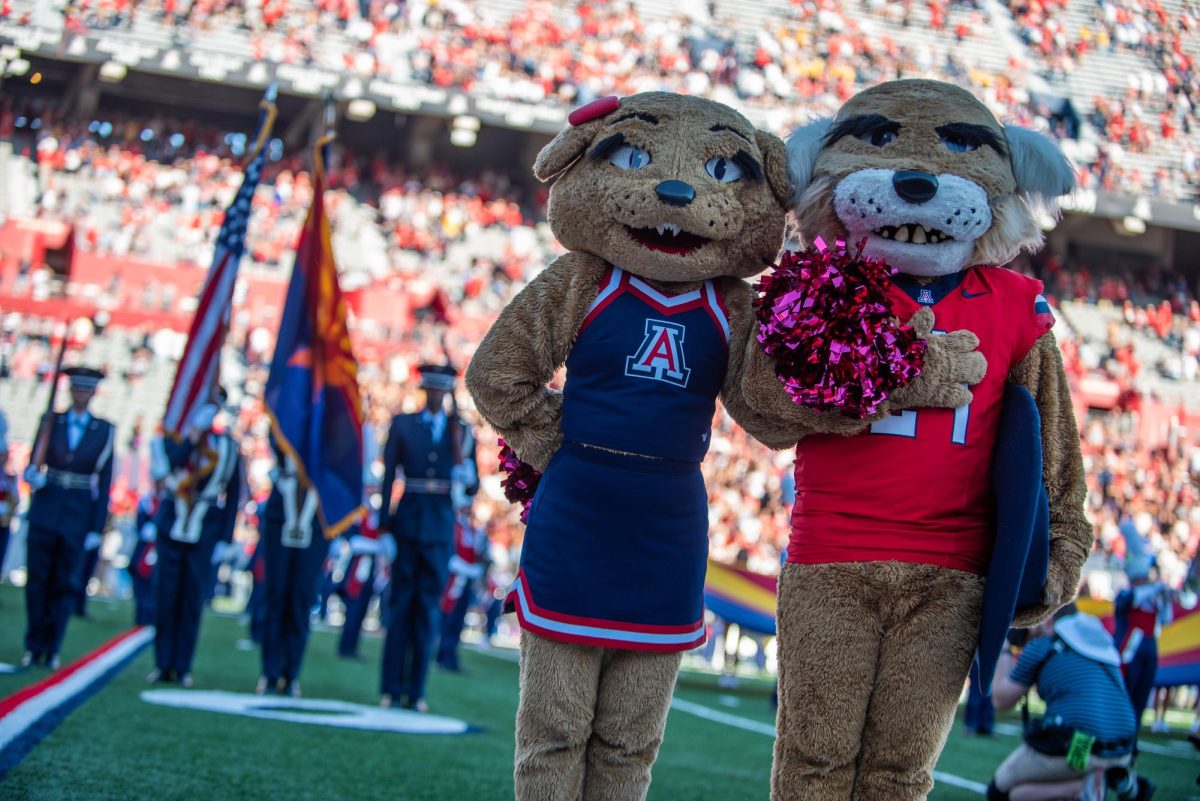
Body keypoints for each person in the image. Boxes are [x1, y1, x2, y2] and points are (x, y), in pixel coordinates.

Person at [378, 363, 477, 712]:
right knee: (400, 606)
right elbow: (390, 475)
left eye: (442, 391)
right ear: (425, 391)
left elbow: (473, 486)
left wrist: (466, 478)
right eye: (432, 390)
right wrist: (384, 527)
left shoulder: (462, 432)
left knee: (428, 611)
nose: (436, 396)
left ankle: (416, 690)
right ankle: (391, 687)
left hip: (438, 527)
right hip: (407, 522)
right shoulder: (404, 424)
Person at [987, 605, 1153, 801]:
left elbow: (1001, 700)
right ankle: (1113, 778)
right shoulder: (1102, 644)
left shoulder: (1044, 645)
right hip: (1124, 748)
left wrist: (1003, 647)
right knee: (1027, 790)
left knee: (1000, 793)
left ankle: (1080, 789)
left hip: (1079, 746)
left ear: (1046, 617)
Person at [148, 387, 243, 686]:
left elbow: (234, 493)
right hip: (173, 521)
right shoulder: (174, 438)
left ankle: (183, 666)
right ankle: (163, 663)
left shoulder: (228, 445)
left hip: (205, 527)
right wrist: (192, 437)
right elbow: (168, 466)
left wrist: (226, 537)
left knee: (191, 599)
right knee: (166, 595)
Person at [22, 366, 114, 669]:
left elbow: (104, 482)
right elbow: (36, 459)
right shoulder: (51, 421)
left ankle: (53, 646)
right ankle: (33, 643)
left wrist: (96, 527)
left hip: (77, 513)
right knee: (38, 579)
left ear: (93, 393)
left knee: (65, 582)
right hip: (47, 507)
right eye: (77, 388)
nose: (81, 394)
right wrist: (33, 475)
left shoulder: (104, 430)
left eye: (86, 389)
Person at [257, 438, 331, 697]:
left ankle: (291, 674)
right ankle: (269, 672)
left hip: (317, 515)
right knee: (276, 594)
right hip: (282, 510)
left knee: (302, 597)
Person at [1113, 521, 1173, 736]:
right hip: (1130, 650)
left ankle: (1133, 736)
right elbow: (1129, 601)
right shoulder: (1126, 594)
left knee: (1142, 694)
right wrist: (1155, 588)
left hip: (1149, 647)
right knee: (1127, 692)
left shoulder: (1152, 597)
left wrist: (1165, 600)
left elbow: (1166, 620)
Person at [436, 506, 487, 672]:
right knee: (448, 617)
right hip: (454, 579)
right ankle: (443, 655)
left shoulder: (474, 531)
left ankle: (450, 656)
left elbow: (477, 555)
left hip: (466, 580)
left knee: (458, 619)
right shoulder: (454, 527)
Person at [127, 483, 159, 626]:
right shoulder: (147, 499)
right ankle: (141, 614)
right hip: (143, 549)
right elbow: (139, 521)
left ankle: (150, 615)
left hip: (158, 549)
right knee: (140, 578)